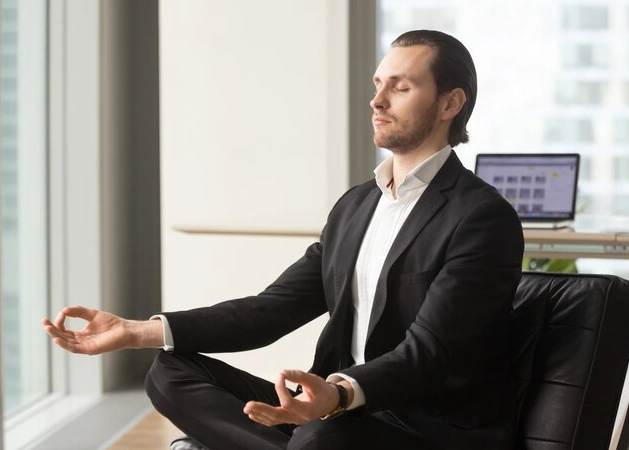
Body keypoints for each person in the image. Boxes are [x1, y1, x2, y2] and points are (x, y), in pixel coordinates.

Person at [43, 29, 523, 450]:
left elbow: (428, 356)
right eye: (378, 85)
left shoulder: (481, 217)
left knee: (322, 435)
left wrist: (335, 396)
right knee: (170, 372)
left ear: (449, 103)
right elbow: (270, 310)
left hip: (423, 425)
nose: (377, 101)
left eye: (401, 87)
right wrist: (135, 331)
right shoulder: (356, 205)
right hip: (337, 415)